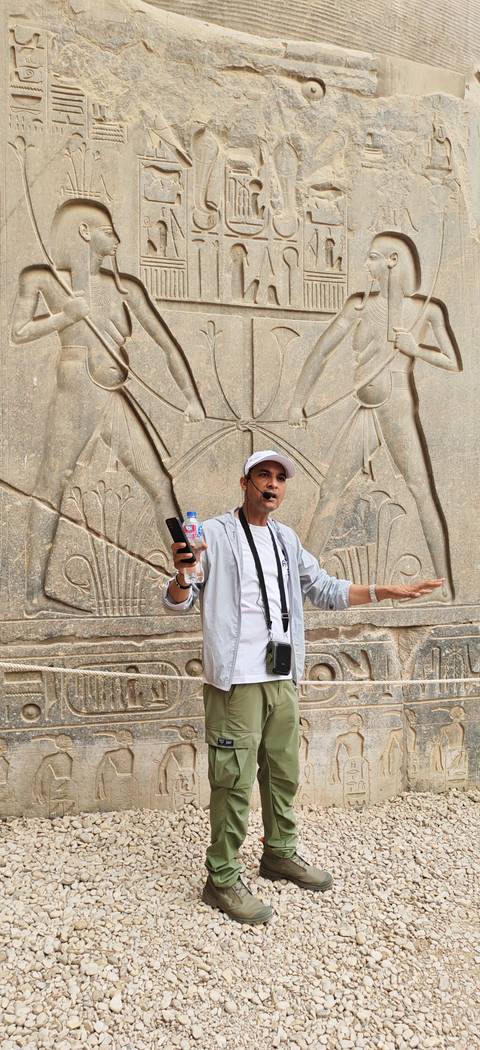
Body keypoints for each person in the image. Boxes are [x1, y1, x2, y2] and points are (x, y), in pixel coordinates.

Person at [164, 449, 442, 925]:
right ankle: (222, 877)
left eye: (279, 478)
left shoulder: (286, 540)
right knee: (233, 780)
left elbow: (326, 588)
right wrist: (181, 575)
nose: (272, 484)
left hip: (283, 675)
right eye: (262, 476)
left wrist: (384, 592)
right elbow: (179, 601)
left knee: (283, 771)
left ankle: (278, 854)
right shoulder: (213, 534)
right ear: (244, 481)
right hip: (237, 681)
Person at [11, 198, 204, 614]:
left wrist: (190, 398)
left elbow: (166, 344)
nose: (116, 239)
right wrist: (65, 316)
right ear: (85, 232)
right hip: (77, 388)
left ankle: (187, 575)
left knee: (159, 484)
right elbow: (19, 332)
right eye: (108, 231)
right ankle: (31, 594)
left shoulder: (124, 286)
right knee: (50, 486)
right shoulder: (45, 278)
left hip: (111, 393)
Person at [288, 232, 460, 600]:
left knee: (421, 491)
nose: (365, 265)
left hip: (396, 402)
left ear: (392, 261)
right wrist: (297, 401)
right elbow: (321, 353)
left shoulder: (426, 310)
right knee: (329, 491)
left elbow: (453, 361)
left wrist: (417, 349)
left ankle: (446, 588)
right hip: (366, 406)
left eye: (371, 258)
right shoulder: (359, 305)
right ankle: (300, 585)